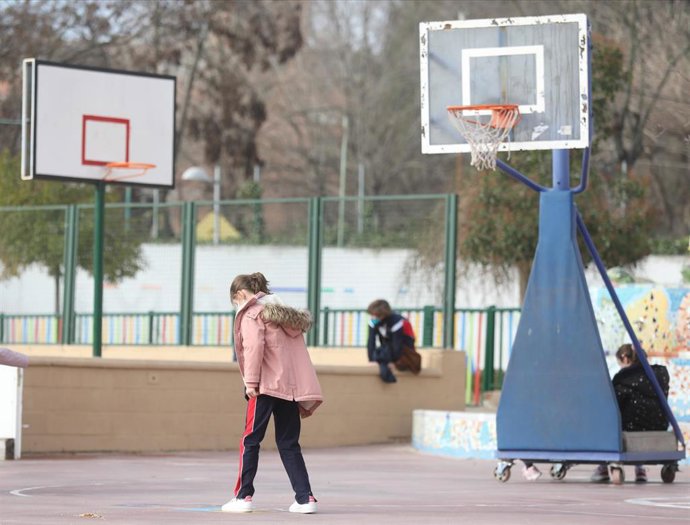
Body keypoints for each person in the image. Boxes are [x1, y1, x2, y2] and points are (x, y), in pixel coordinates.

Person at [221, 272, 323, 514]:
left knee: (250, 440)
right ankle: (305, 498)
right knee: (289, 443)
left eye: (234, 300)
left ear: (239, 294)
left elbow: (254, 347)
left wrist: (251, 382)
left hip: (264, 387)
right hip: (289, 389)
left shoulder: (251, 313)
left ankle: (243, 496)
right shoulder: (286, 318)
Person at [591, 343, 670, 483]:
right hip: (660, 424)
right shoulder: (660, 376)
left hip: (632, 425)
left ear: (625, 359)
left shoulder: (622, 379)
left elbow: (613, 406)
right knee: (637, 416)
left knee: (609, 421)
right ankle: (640, 469)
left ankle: (603, 467)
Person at [366, 299, 417, 383]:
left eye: (376, 315)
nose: (373, 317)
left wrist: (394, 362)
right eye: (372, 315)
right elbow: (371, 341)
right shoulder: (373, 321)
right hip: (388, 347)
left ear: (383, 314)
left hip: (405, 348)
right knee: (379, 353)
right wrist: (371, 360)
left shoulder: (397, 321)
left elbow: (397, 344)